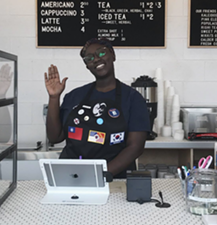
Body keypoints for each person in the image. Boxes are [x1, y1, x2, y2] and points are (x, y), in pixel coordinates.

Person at [44, 38, 150, 178]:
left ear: (112, 55)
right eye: (89, 58)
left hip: (114, 180)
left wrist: (98, 176)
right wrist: (53, 98)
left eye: (101, 53)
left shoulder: (133, 99)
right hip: (72, 177)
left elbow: (135, 147)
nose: (96, 59)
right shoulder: (74, 96)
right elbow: (54, 137)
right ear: (87, 66)